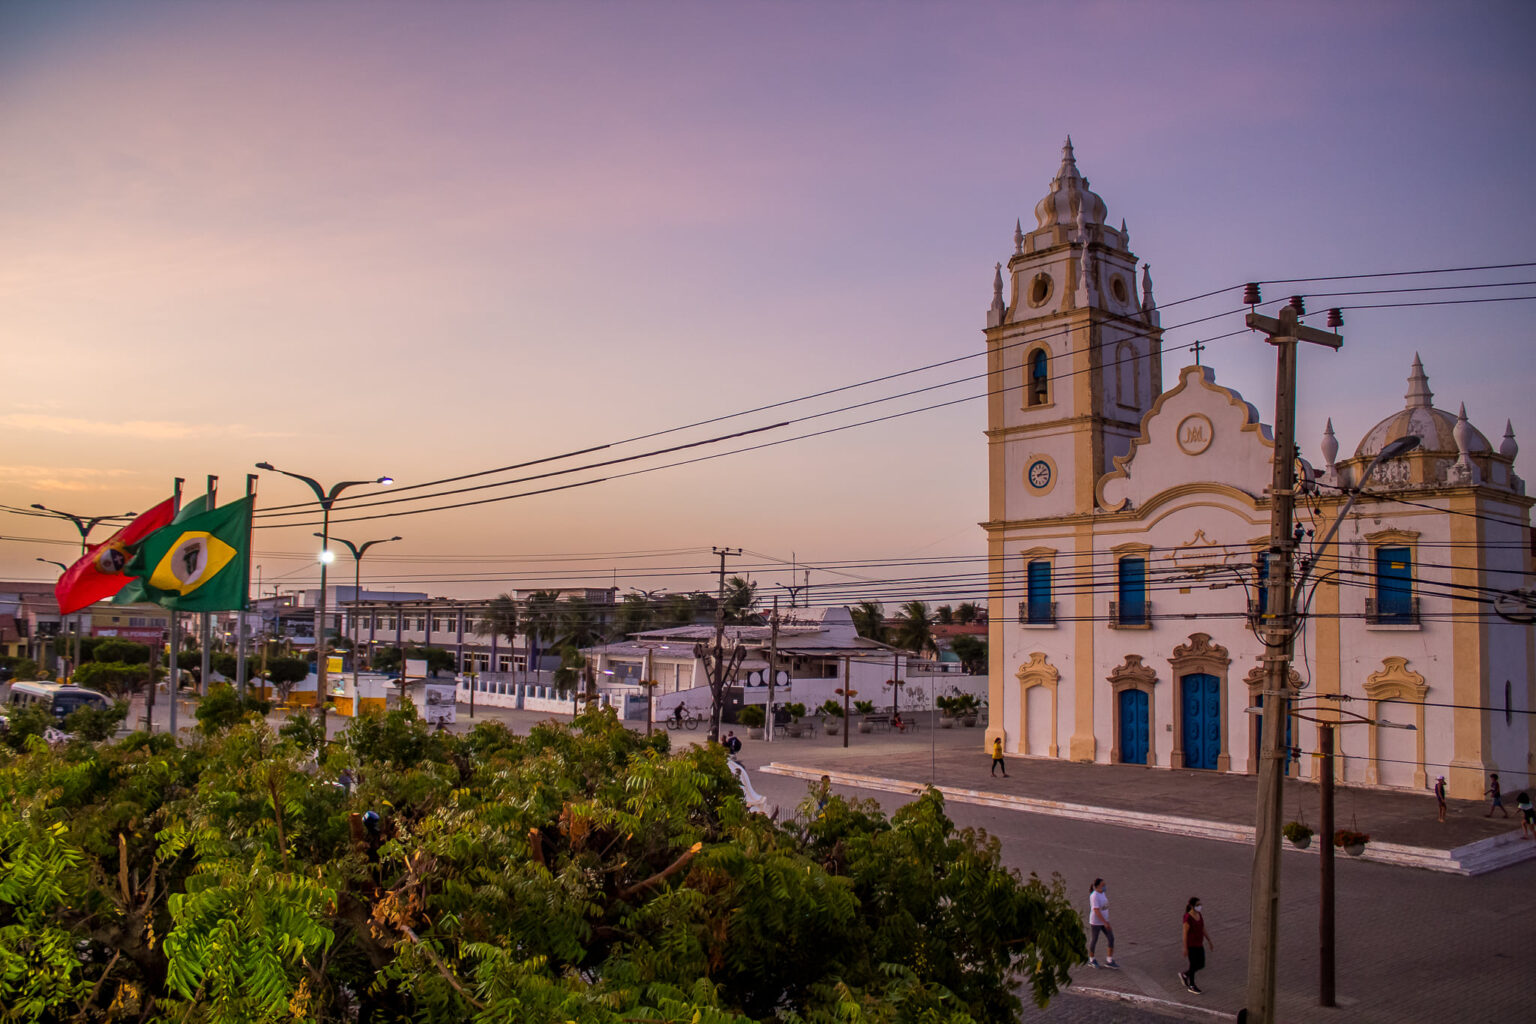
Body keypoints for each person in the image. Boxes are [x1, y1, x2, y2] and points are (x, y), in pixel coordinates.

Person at [1179, 897, 1214, 994]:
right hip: (1191, 945)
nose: (1200, 906)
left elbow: (1202, 928)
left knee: (1201, 964)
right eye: (1197, 905)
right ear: (1192, 906)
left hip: (1199, 944)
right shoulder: (1188, 918)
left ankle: (1185, 974)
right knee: (1193, 964)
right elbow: (1185, 933)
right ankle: (1192, 985)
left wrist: (1209, 940)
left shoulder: (1199, 915)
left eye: (1200, 904)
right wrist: (1185, 947)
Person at [1086, 878, 1118, 969]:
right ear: (1097, 886)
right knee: (1094, 939)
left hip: (1104, 921)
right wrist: (1104, 922)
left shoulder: (1102, 893)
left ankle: (1109, 960)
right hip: (1096, 922)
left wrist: (1106, 921)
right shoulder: (1094, 896)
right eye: (1103, 885)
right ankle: (1091, 959)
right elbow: (1096, 910)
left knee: (1111, 938)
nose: (1104, 887)